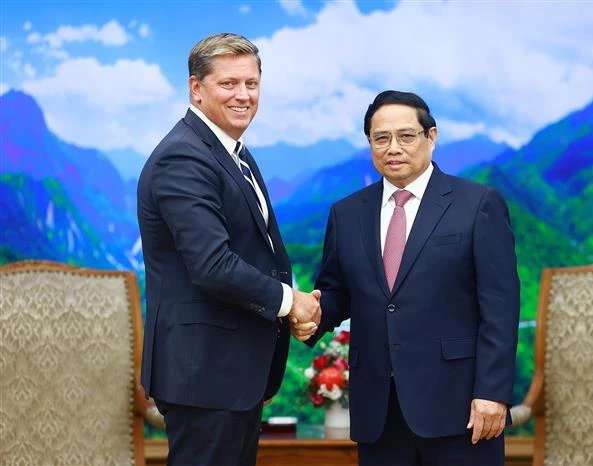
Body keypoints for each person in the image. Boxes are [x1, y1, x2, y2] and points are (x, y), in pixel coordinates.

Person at [292, 90, 520, 465]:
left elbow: (500, 305)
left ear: (431, 137)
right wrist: (311, 315)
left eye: (406, 136)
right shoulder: (347, 213)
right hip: (379, 411)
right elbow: (337, 292)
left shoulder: (478, 204)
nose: (393, 147)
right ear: (370, 143)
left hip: (460, 408)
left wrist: (493, 393)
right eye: (381, 138)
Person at [137, 33, 320, 466]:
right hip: (204, 376)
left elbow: (261, 250)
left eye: (251, 84)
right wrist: (288, 302)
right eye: (229, 84)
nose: (243, 95)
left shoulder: (233, 152)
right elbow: (212, 265)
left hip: (229, 374)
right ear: (196, 89)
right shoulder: (183, 157)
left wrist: (290, 307)